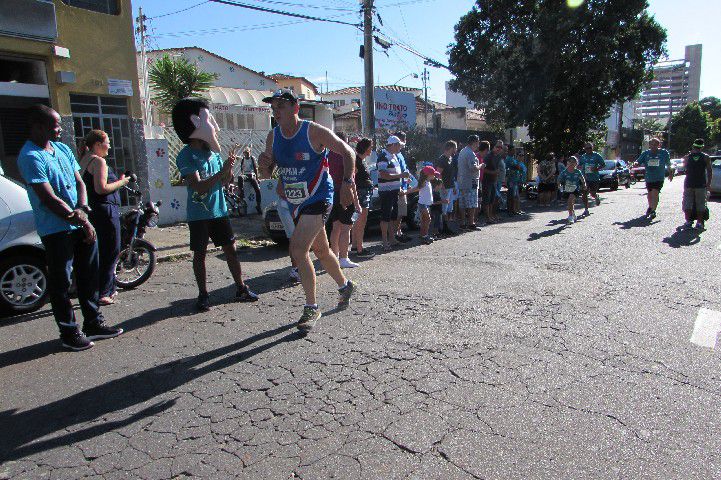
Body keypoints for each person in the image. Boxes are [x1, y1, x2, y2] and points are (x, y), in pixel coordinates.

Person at [17, 105, 122, 351]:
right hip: (56, 229)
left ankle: (93, 322)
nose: (60, 129)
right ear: (39, 127)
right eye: (55, 125)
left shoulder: (62, 149)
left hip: (80, 222)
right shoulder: (30, 156)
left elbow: (79, 182)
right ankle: (69, 331)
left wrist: (83, 209)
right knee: (62, 282)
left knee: (89, 275)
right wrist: (81, 220)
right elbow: (48, 198)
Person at [258, 89, 355, 331]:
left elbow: (348, 151)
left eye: (281, 106)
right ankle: (345, 286)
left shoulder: (313, 131)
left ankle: (312, 307)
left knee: (298, 249)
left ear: (295, 108)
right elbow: (267, 173)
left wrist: (347, 183)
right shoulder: (273, 136)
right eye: (273, 106)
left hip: (320, 196)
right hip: (295, 201)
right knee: (321, 250)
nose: (276, 110)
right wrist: (265, 166)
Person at [172, 97, 258, 311]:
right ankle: (203, 295)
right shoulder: (186, 156)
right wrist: (222, 172)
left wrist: (228, 168)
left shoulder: (214, 154)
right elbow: (198, 187)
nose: (215, 127)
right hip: (199, 214)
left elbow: (225, 182)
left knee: (231, 249)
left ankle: (241, 287)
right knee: (199, 254)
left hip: (219, 211)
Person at [78, 130, 130, 306]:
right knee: (111, 250)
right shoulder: (98, 161)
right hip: (105, 211)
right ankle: (105, 291)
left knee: (98, 252)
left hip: (93, 211)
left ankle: (96, 289)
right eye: (107, 142)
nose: (109, 146)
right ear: (98, 144)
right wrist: (123, 182)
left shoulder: (84, 160)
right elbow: (101, 188)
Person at [327, 132, 361, 269]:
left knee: (335, 227)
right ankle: (343, 258)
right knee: (346, 228)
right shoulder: (347, 154)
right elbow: (351, 181)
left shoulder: (328, 155)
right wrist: (357, 202)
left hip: (331, 193)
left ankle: (334, 257)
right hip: (344, 193)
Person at [375, 135, 410, 251]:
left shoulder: (394, 156)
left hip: (394, 190)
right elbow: (384, 174)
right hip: (386, 191)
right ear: (394, 145)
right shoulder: (383, 156)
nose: (400, 148)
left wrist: (400, 182)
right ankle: (385, 242)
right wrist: (401, 176)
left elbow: (393, 174)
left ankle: (392, 239)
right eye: (399, 145)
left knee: (392, 216)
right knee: (386, 216)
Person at [634, 137, 673, 219]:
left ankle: (653, 210)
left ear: (659, 145)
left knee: (655, 192)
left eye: (656, 144)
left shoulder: (664, 153)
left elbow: (668, 163)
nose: (653, 146)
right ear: (649, 145)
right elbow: (638, 161)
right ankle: (650, 207)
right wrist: (636, 163)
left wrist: (670, 173)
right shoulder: (645, 153)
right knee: (650, 194)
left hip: (659, 177)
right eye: (652, 144)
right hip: (649, 177)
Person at [404, 165, 442, 244]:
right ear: (428, 174)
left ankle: (422, 235)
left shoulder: (427, 182)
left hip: (426, 204)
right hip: (423, 204)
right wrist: (405, 192)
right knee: (427, 219)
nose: (434, 175)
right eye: (433, 174)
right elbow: (416, 188)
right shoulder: (424, 182)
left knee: (425, 220)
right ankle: (425, 236)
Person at [682, 138, 713, 230]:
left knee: (688, 202)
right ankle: (699, 223)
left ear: (693, 146)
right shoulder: (705, 157)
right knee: (701, 203)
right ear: (702, 147)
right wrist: (709, 183)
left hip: (689, 183)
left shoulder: (687, 157)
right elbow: (709, 171)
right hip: (700, 183)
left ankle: (688, 221)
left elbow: (684, 169)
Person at [351, 137, 374, 258]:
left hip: (365, 192)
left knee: (359, 221)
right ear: (365, 148)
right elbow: (352, 178)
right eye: (370, 146)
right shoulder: (356, 161)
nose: (372, 149)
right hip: (361, 193)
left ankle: (355, 247)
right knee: (361, 221)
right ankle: (360, 249)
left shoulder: (362, 160)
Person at [456, 135, 481, 230]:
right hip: (471, 181)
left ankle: (463, 223)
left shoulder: (462, 151)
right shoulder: (470, 153)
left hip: (462, 181)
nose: (478, 144)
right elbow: (473, 168)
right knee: (472, 203)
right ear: (474, 142)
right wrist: (481, 166)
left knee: (462, 203)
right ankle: (471, 223)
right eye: (478, 142)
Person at [433, 140, 458, 234]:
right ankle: (441, 228)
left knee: (448, 208)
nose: (456, 150)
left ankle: (445, 227)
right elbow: (438, 174)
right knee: (443, 208)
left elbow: (451, 174)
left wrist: (454, 186)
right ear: (451, 148)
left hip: (450, 186)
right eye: (455, 148)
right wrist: (442, 186)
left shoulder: (451, 158)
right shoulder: (442, 159)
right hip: (444, 187)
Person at [394, 131, 412, 243]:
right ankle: (395, 234)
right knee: (398, 212)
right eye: (403, 140)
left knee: (401, 212)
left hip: (403, 185)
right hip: (398, 187)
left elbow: (403, 169)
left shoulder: (400, 154)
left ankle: (398, 232)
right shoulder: (394, 154)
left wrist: (407, 179)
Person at [578, 142, 605, 215]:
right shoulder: (583, 157)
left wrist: (596, 168)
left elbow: (603, 164)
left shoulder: (597, 155)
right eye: (587, 148)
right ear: (585, 149)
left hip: (594, 178)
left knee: (592, 193)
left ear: (592, 148)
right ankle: (586, 209)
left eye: (590, 148)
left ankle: (596, 196)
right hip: (585, 178)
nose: (588, 149)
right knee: (584, 194)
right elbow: (579, 166)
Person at [558, 156, 586, 224]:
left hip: (575, 189)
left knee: (570, 200)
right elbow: (559, 180)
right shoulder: (564, 172)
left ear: (576, 163)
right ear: (568, 163)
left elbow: (582, 179)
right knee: (570, 202)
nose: (571, 164)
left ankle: (570, 216)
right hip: (567, 189)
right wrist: (559, 185)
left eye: (573, 162)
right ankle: (572, 212)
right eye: (570, 162)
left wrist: (584, 185)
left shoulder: (578, 171)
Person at [482, 140, 504, 223]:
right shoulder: (488, 156)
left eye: (501, 147)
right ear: (493, 147)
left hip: (494, 181)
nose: (499, 149)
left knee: (492, 199)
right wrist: (493, 172)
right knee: (486, 200)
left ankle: (491, 216)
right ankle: (487, 218)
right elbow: (483, 169)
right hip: (486, 181)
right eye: (497, 147)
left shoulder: (498, 156)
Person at [237, 147, 262, 214]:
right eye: (245, 153)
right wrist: (242, 174)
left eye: (248, 153)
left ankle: (258, 205)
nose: (247, 154)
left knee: (257, 190)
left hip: (251, 174)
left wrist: (257, 178)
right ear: (244, 153)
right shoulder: (243, 159)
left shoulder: (252, 158)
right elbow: (241, 169)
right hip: (245, 174)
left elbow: (255, 168)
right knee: (240, 177)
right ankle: (241, 194)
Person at [505, 145, 525, 215]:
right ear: (509, 150)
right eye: (513, 150)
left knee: (515, 196)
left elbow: (519, 168)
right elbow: (517, 167)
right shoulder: (509, 158)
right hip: (511, 180)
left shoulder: (513, 158)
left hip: (515, 180)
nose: (514, 151)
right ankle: (510, 210)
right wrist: (518, 167)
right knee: (511, 196)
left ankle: (514, 210)